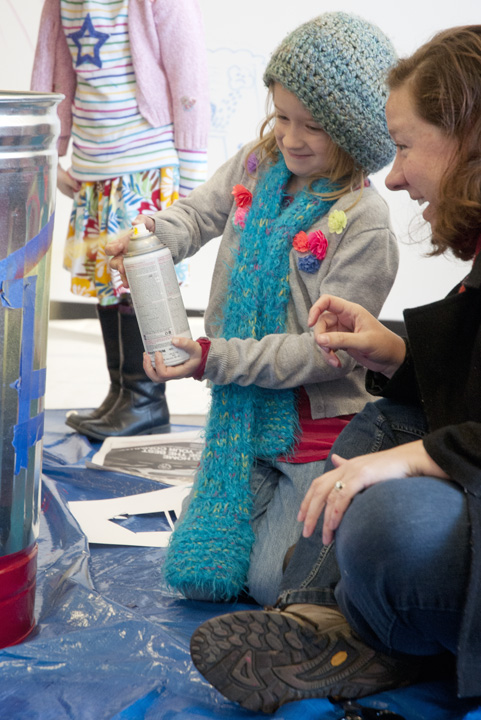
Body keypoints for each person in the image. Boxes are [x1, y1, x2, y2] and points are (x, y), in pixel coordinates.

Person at [188, 23, 481, 714]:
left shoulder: (362, 220)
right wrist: (398, 351)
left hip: (317, 443)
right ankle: (316, 621)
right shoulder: (257, 178)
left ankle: (366, 633)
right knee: (387, 418)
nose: (396, 173)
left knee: (387, 524)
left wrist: (418, 459)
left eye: (405, 146)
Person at [108, 12, 399, 607]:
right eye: (282, 116)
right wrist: (152, 237)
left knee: (270, 583)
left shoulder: (364, 223)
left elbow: (325, 354)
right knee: (202, 573)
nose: (290, 138)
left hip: (315, 437)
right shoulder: (255, 165)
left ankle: (345, 506)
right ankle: (265, 508)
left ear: (356, 133)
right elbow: (197, 215)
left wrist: (213, 357)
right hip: (239, 425)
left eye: (312, 126)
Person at [30, 0, 210, 440]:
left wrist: (191, 174)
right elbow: (49, 68)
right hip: (95, 165)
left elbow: (190, 75)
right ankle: (123, 393)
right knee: (107, 282)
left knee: (139, 282)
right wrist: (51, 148)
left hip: (145, 163)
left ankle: (147, 399)